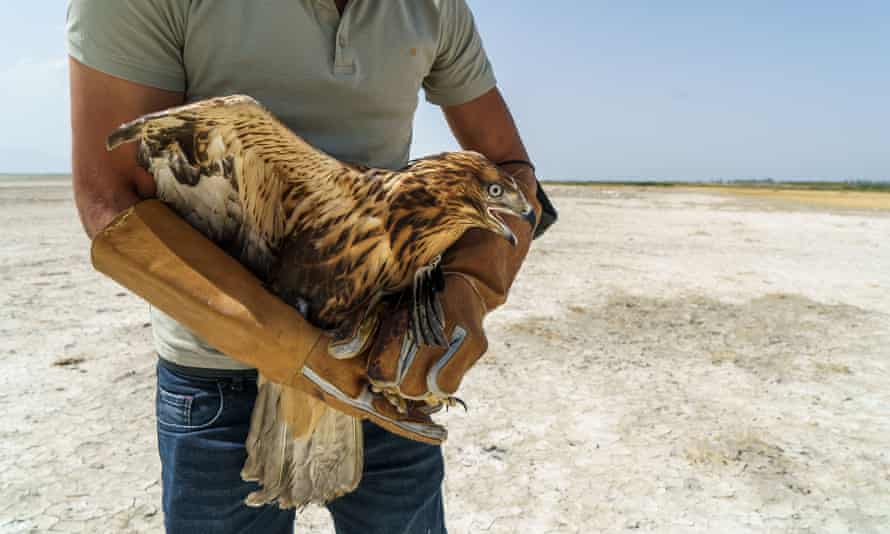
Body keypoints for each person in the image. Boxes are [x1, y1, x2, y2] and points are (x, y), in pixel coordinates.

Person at [68, 1, 549, 532]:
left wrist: (470, 288)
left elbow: (507, 167)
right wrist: (292, 352)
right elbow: (112, 198)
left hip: (387, 361)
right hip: (220, 383)